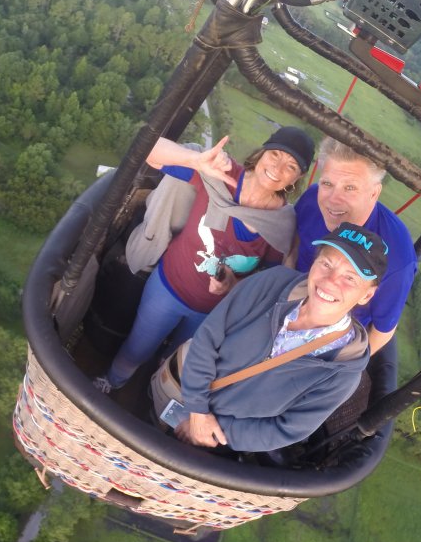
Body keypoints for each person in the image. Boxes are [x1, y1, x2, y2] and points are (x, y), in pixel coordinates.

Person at [94, 126, 315, 394]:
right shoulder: (218, 175)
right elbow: (149, 149)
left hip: (211, 313)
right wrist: (195, 161)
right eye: (276, 154)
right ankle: (113, 381)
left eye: (291, 166)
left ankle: (151, 397)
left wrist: (234, 283)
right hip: (168, 287)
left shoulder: (281, 223)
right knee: (136, 348)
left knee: (177, 364)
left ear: (296, 178)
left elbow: (266, 277)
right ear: (261, 153)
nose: (278, 168)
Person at [157, 223, 389, 452]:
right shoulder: (272, 283)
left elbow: (286, 429)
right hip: (176, 387)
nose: (329, 281)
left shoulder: (342, 373)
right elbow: (207, 337)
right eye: (326, 263)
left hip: (212, 439)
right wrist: (198, 411)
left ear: (366, 294)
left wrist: (208, 430)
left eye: (350, 278)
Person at [292, 138, 417, 399]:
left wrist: (338, 371)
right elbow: (293, 248)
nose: (332, 200)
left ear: (374, 193)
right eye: (328, 183)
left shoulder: (396, 255)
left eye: (350, 188)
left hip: (333, 339)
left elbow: (383, 331)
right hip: (291, 307)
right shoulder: (311, 201)